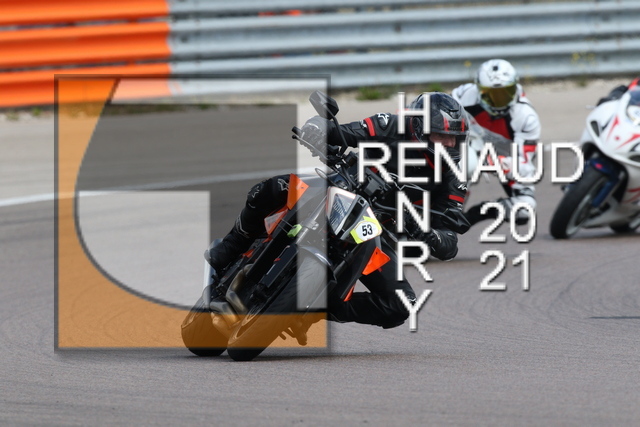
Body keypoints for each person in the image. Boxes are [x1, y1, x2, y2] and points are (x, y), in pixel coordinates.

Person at [206, 92, 470, 337]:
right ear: (419, 128)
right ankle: (232, 245)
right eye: (441, 136)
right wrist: (318, 129)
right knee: (272, 188)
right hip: (339, 188)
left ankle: (315, 308)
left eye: (454, 138)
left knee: (402, 304)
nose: (449, 144)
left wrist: (430, 234)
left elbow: (449, 242)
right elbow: (342, 131)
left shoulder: (454, 178)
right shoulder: (391, 125)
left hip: (373, 232)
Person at [451, 59, 541, 226]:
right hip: (469, 146)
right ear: (478, 90)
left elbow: (525, 166)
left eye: (505, 93)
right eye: (490, 95)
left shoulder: (527, 117)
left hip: (504, 158)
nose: (499, 101)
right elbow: (438, 111)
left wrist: (499, 163)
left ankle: (476, 214)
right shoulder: (464, 94)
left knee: (524, 209)